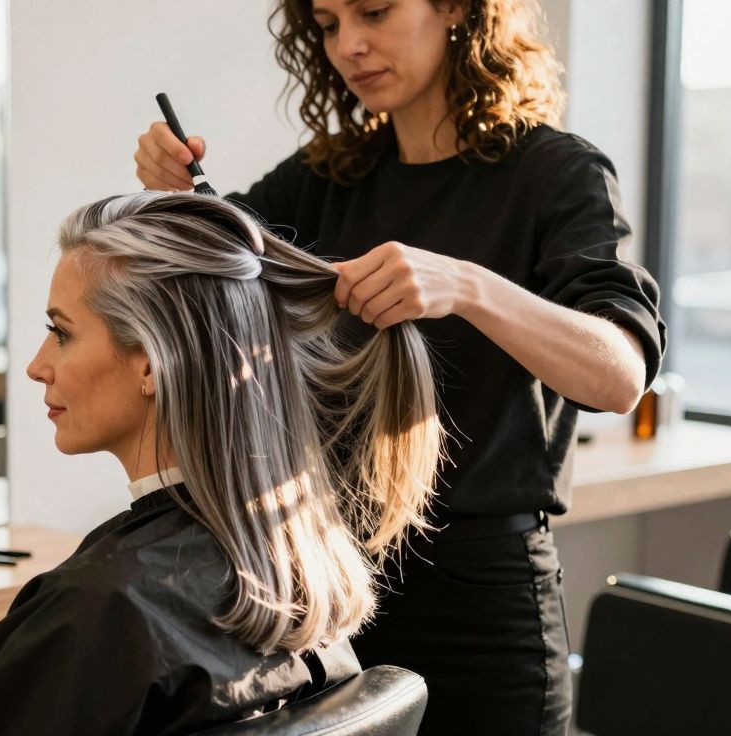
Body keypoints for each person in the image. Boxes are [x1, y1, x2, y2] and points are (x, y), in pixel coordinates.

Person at [132, 1, 667, 733]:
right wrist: (173, 198)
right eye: (327, 25)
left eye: (375, 12)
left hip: (482, 608)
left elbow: (620, 373)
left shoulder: (554, 174)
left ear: (454, 8)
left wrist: (469, 286)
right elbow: (216, 296)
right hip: (331, 594)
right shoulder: (325, 180)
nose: (350, 44)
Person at [0, 192, 443, 735]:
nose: (38, 366)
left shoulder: (105, 607)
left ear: (151, 365)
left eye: (60, 333)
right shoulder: (296, 561)